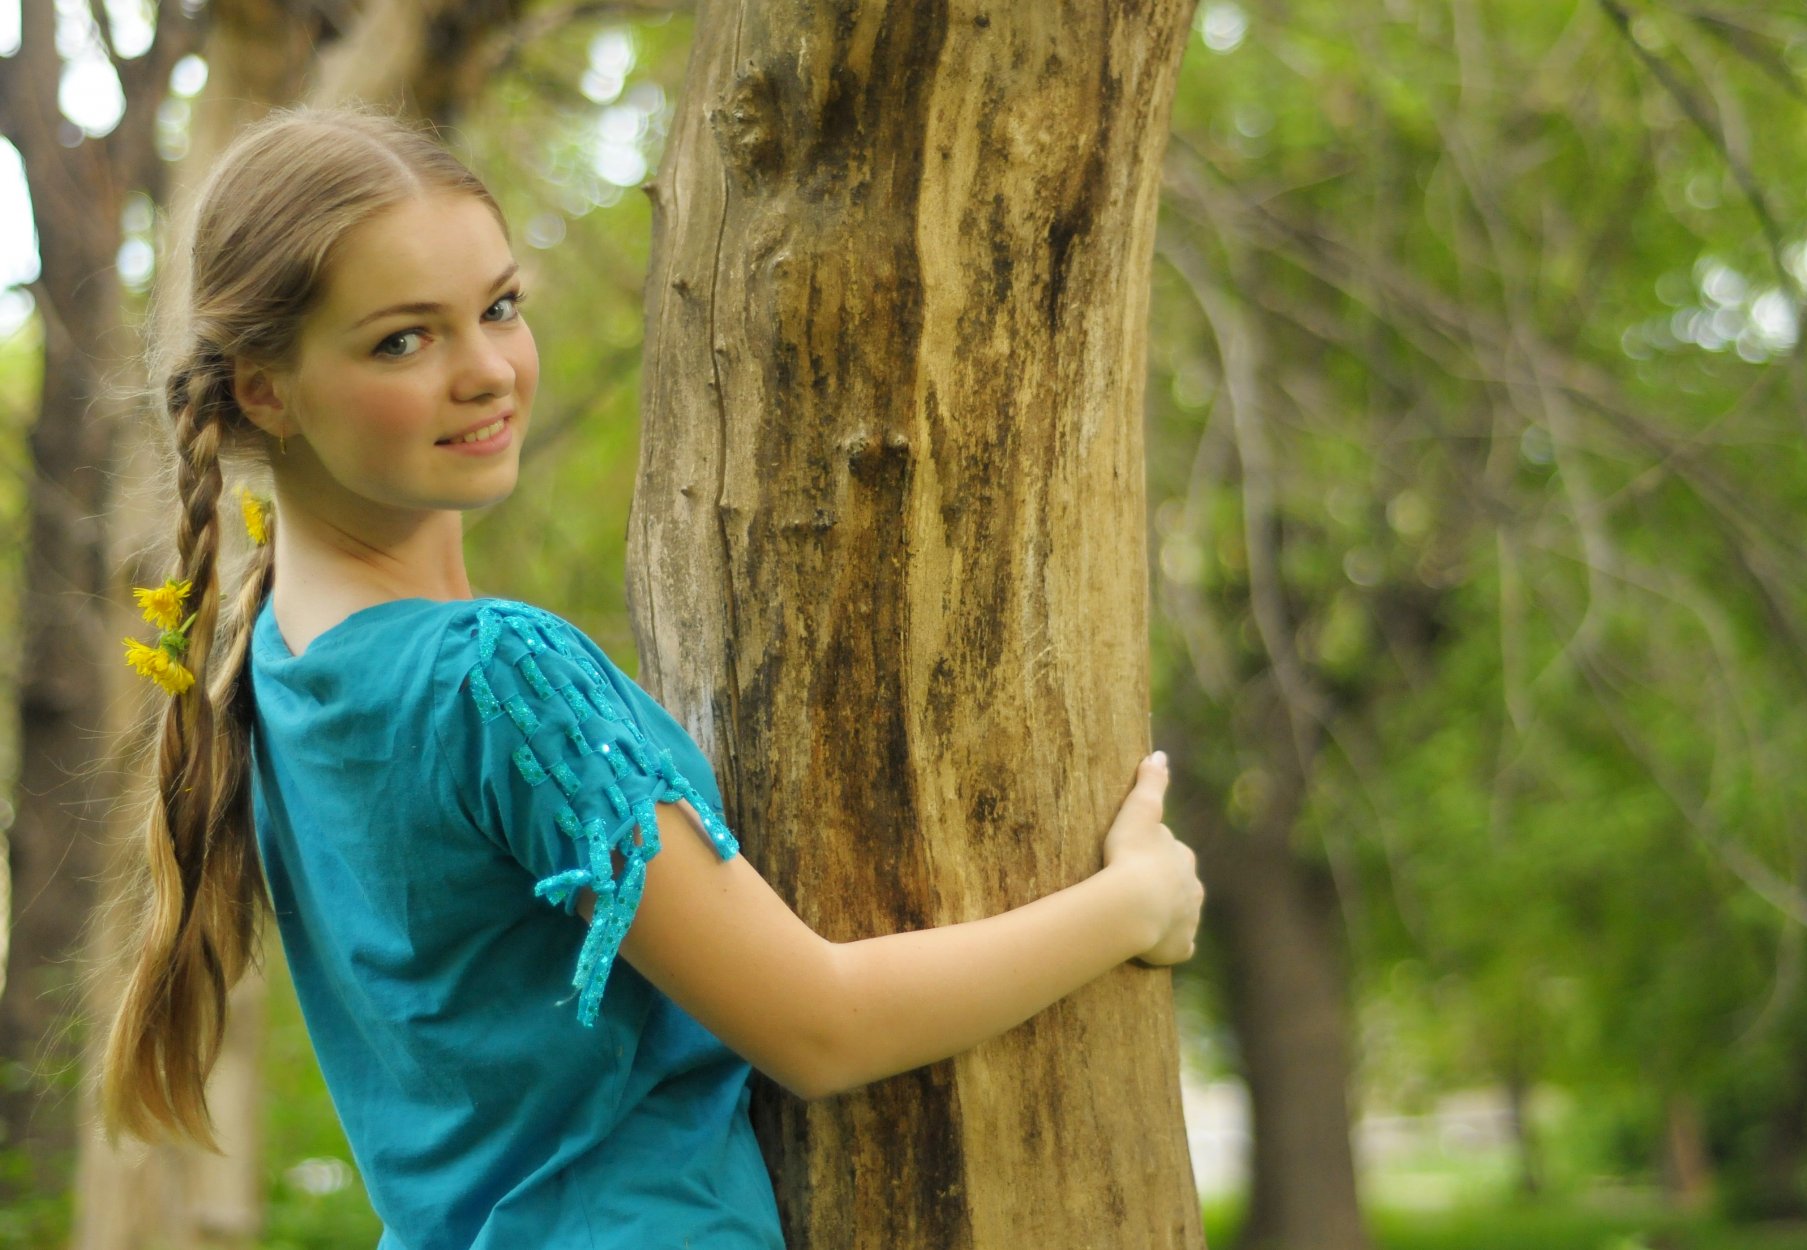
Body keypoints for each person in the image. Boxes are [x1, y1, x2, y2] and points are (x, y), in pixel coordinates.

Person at [99, 102, 1204, 1250]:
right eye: (402, 340)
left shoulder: (269, 660)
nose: (486, 370)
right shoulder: (494, 675)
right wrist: (1134, 901)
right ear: (265, 390)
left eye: (499, 307)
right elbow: (817, 1027)